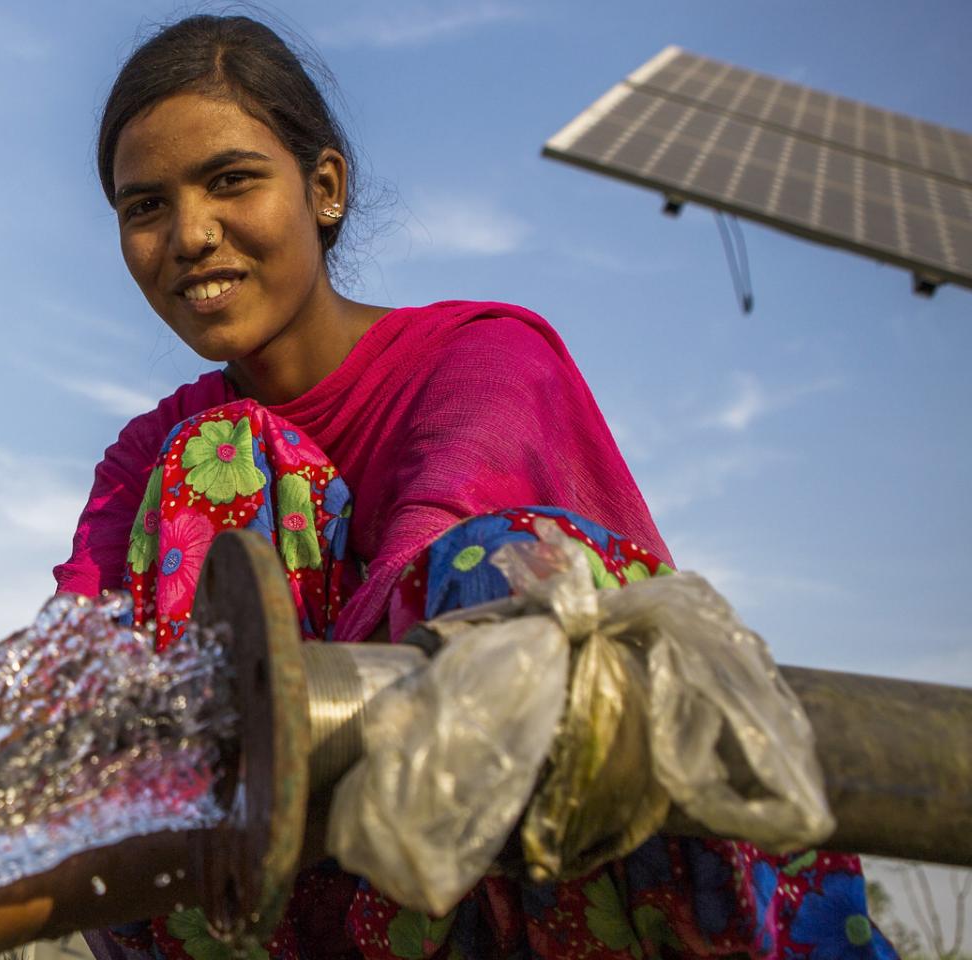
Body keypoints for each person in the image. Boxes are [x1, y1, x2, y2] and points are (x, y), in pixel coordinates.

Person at [53, 15, 894, 960]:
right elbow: (74, 677)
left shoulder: (485, 360)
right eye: (145, 207)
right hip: (293, 901)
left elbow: (451, 571)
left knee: (492, 571)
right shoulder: (149, 457)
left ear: (323, 187)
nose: (191, 235)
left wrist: (275, 708)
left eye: (232, 180)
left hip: (541, 869)